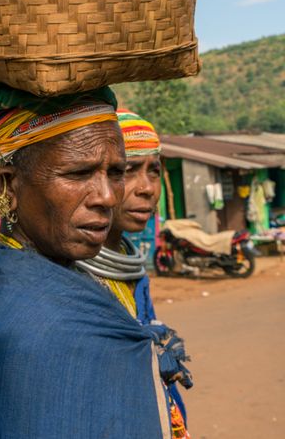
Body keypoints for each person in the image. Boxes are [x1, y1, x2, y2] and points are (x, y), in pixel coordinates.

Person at [0, 84, 191, 438]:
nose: (106, 197)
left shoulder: (65, 281)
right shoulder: (29, 322)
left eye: (115, 173)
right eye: (78, 173)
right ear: (8, 185)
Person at [76, 109, 191, 438]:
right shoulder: (71, 276)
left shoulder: (133, 271)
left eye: (153, 171)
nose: (147, 189)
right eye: (128, 170)